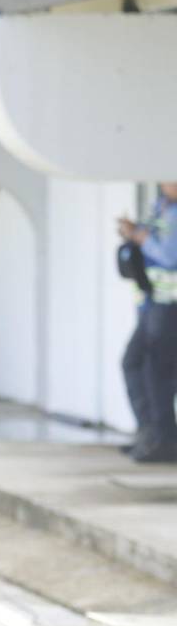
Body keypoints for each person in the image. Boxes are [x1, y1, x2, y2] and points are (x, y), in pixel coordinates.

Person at [118, 183, 177, 463]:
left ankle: (163, 440)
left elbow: (170, 256)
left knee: (159, 374)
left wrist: (140, 238)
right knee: (134, 363)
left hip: (170, 306)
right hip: (153, 302)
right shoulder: (161, 206)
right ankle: (150, 433)